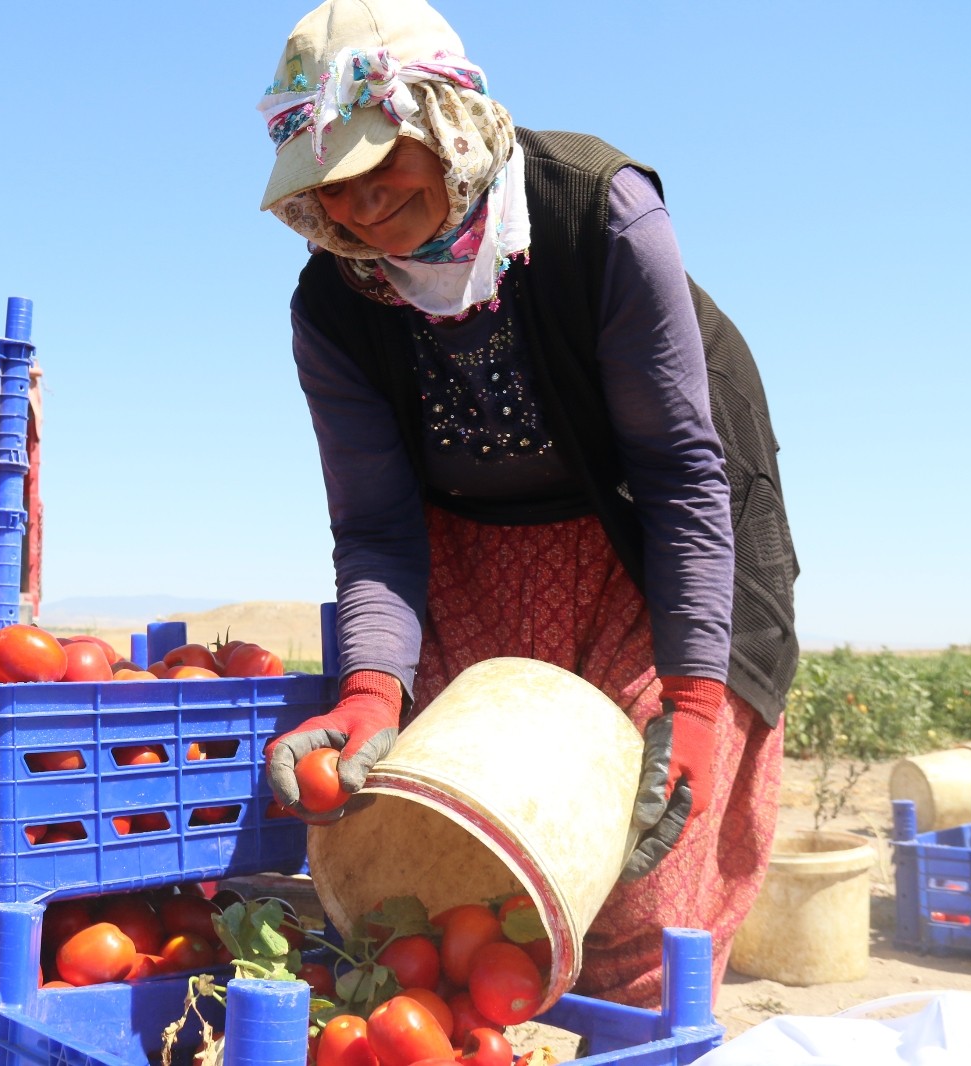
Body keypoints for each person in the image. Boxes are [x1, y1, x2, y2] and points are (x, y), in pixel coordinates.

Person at [257, 0, 800, 1006]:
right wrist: (373, 691)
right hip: (475, 558)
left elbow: (683, 478)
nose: (362, 205)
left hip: (657, 547)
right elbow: (375, 525)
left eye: (385, 160)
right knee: (475, 850)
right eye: (331, 183)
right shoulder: (333, 304)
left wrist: (690, 701)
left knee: (639, 863)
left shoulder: (597, 212)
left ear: (449, 125)